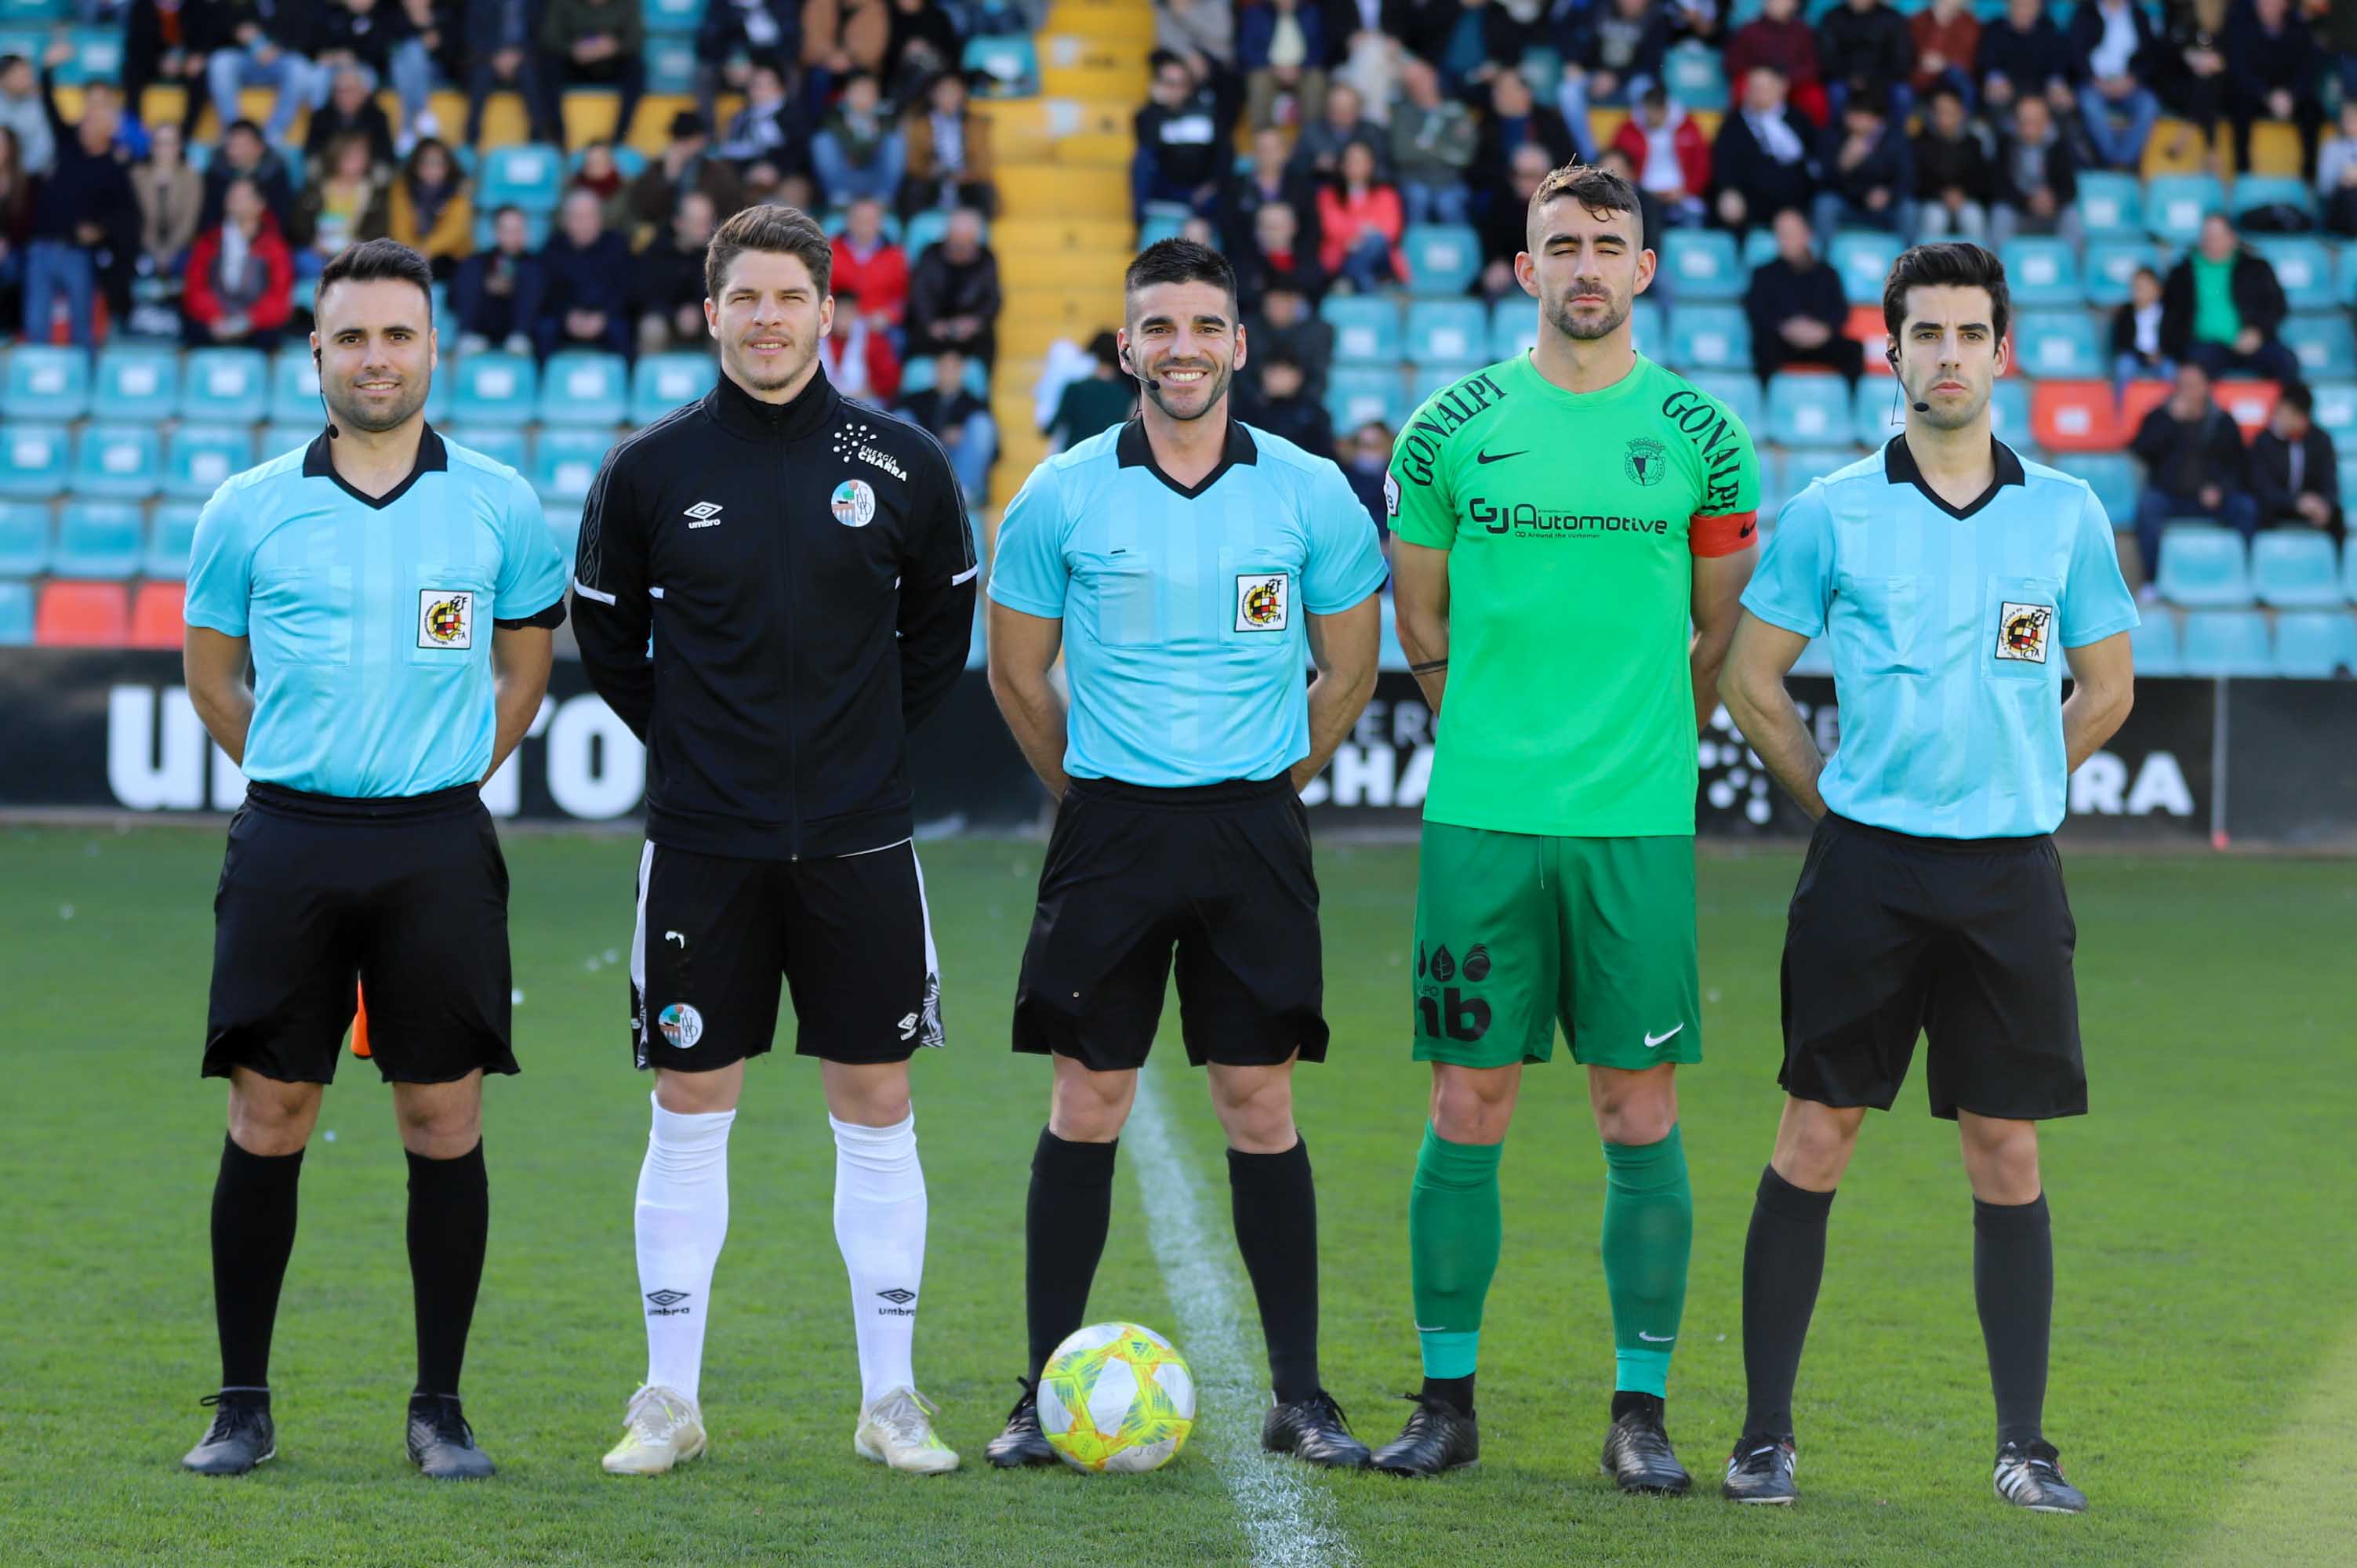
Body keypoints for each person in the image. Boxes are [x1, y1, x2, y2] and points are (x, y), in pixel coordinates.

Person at [1716, 241, 2136, 1515]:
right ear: (1887, 352)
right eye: (1924, 334)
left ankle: (2025, 1446)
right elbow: (1750, 680)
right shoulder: (1833, 510)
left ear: (2002, 353)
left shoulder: (2063, 513)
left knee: (2005, 1148)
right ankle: (1764, 1438)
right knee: (1815, 1131)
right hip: (1870, 871)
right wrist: (1835, 807)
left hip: (2008, 873)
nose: (1946, 355)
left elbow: (2107, 689)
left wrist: (2019, 778)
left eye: (1969, 334)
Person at [1368, 163, 1760, 1488]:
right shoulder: (1448, 430)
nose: (1584, 265)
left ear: (1644, 269)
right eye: (1560, 245)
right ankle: (1443, 1402)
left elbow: (1715, 633)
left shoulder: (1704, 434)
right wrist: (1491, 727)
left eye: (1607, 244)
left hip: (1634, 827)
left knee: (1635, 1109)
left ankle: (1640, 1412)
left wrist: (1637, 745)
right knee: (1466, 1100)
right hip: (1482, 815)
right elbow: (1419, 625)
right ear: (1523, 268)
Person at [572, 204, 975, 1479]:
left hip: (859, 842)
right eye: (742, 298)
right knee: (690, 1110)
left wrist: (850, 750)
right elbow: (607, 646)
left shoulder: (905, 463)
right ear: (711, 312)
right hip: (703, 842)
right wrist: (700, 749)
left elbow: (933, 647)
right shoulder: (649, 470)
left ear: (827, 311)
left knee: (878, 1104)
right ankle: (668, 1401)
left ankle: (891, 1400)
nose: (765, 319)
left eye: (787, 298)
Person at [980, 236, 1386, 1475]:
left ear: (1238, 347)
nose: (1182, 349)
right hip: (1111, 829)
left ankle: (1301, 1396)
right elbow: (1017, 671)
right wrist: (1094, 793)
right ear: (1126, 350)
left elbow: (1350, 665)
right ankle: (1043, 1396)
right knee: (1086, 1100)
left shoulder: (1309, 490)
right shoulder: (1061, 491)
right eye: (1158, 329)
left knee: (1259, 1104)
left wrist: (1265, 785)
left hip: (1252, 831)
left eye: (1204, 327)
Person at [176, 237, 567, 1483]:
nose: (376, 357)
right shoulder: (246, 507)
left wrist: (447, 775)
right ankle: (241, 1404)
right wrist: (294, 773)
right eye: (352, 337)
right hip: (289, 837)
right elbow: (209, 676)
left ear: (432, 348)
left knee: (442, 1115)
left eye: (397, 334)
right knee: (269, 1110)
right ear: (316, 355)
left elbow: (523, 671)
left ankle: (438, 1408)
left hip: (437, 843)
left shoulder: (498, 503)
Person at [2130, 360, 2257, 590]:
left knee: (2246, 508)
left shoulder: (2223, 421)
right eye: (2183, 385)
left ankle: (2244, 575)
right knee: (2148, 507)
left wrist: (2221, 489)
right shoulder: (2160, 416)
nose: (2187, 391)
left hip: (2212, 498)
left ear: (2206, 387)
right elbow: (2141, 449)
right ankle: (2153, 581)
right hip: (2170, 495)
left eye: (2193, 385)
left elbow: (2239, 466)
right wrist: (2171, 421)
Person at [23, 83, 133, 347]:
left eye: (94, 123)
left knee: (82, 326)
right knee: (36, 323)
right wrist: (47, 74)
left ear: (109, 131)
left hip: (77, 253)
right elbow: (53, 112)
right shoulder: (68, 149)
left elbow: (123, 214)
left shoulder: (115, 169)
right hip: (42, 247)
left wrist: (101, 230)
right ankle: (36, 378)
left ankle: (82, 380)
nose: (86, 127)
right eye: (85, 122)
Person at [2159, 212, 2297, 385]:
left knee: (2286, 361)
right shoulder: (2181, 274)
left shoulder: (2256, 268)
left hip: (2252, 342)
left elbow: (2277, 306)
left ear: (2232, 238)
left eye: (2217, 237)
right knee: (2194, 371)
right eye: (2207, 237)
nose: (2211, 242)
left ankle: (2287, 412)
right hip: (2206, 347)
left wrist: (2258, 331)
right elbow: (2171, 316)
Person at [1747, 207, 1858, 385]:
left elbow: (1840, 311)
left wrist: (1823, 330)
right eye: (1781, 234)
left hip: (1821, 340)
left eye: (1791, 234)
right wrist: (1786, 328)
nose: (1786, 240)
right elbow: (1757, 311)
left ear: (1807, 234)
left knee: (1853, 350)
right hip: (1782, 341)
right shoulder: (1763, 274)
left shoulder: (1828, 273)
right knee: (1763, 347)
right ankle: (1764, 405)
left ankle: (1852, 408)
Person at [183, 176, 296, 350]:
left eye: (243, 197)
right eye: (232, 196)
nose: (235, 201)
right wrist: (215, 317)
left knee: (271, 335)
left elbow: (280, 296)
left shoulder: (274, 246)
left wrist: (250, 320)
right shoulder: (209, 242)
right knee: (191, 328)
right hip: (215, 322)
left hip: (255, 326)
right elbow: (195, 287)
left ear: (260, 204)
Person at [1710, 65, 1816, 243]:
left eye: (1764, 87)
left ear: (1781, 88)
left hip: (1795, 204)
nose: (1757, 93)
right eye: (1753, 87)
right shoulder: (1734, 124)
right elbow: (1722, 163)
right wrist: (1728, 190)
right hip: (1749, 203)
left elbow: (1814, 162)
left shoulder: (1799, 120)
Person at [2224, 0, 2321, 182]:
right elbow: (2239, 71)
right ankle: (2243, 175)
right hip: (2256, 94)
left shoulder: (2299, 28)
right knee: (2239, 107)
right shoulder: (2241, 24)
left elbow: (2308, 69)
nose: (2268, 6)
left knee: (2312, 111)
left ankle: (2309, 177)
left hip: (2288, 97)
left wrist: (2292, 95)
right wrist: (2266, 96)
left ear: (2285, 5)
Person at [207, 0, 321, 147]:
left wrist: (278, 47)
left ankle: (272, 135)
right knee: (220, 62)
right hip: (245, 57)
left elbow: (305, 33)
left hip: (280, 59)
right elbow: (220, 28)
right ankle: (235, 132)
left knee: (300, 68)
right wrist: (239, 34)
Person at [535, 187, 631, 358]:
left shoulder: (617, 246)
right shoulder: (553, 248)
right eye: (577, 218)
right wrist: (567, 315)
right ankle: (543, 382)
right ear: (566, 221)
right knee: (544, 330)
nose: (584, 224)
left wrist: (604, 316)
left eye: (590, 216)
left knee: (623, 330)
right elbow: (545, 291)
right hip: (566, 318)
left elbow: (626, 289)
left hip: (606, 317)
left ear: (600, 219)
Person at [1810, 87, 1915, 241]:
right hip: (1849, 205)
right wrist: (1843, 165)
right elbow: (1822, 182)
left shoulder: (1895, 140)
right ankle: (1823, 260)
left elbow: (1907, 179)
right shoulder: (1832, 137)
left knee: (1909, 209)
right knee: (1824, 205)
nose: (1852, 121)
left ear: (1877, 119)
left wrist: (1889, 195)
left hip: (1886, 208)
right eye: (1850, 114)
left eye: (1860, 116)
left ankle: (1912, 261)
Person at [895, 343, 994, 504]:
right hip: (924, 461)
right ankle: (907, 484)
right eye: (944, 367)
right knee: (901, 417)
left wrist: (965, 434)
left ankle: (962, 493)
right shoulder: (915, 400)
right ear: (935, 370)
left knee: (982, 425)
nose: (948, 373)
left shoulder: (975, 405)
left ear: (962, 371)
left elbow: (992, 448)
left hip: (958, 465)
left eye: (953, 368)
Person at [1132, 49, 1225, 221]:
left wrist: (1212, 185)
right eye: (1168, 83)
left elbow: (1224, 153)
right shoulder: (1150, 115)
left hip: (1202, 188)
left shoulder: (1206, 113)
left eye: (1180, 84)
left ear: (1189, 88)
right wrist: (1156, 106)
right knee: (1143, 157)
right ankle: (1140, 221)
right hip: (1166, 186)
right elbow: (1146, 145)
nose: (1174, 90)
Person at [2068, 0, 2160, 171]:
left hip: (2129, 84)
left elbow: (2151, 55)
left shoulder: (2139, 14)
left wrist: (2133, 79)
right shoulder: (2086, 12)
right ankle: (2113, 162)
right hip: (2094, 83)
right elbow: (2075, 52)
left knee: (2149, 104)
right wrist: (2094, 79)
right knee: (2089, 103)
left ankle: (2122, 162)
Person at [540, 0, 643, 152]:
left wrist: (614, 46)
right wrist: (574, 49)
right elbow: (549, 38)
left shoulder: (627, 3)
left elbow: (636, 40)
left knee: (637, 67)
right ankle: (557, 138)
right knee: (548, 66)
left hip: (611, 65)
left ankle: (619, 139)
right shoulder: (561, 3)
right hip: (575, 64)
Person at [2250, 383, 2344, 544]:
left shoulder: (2321, 440)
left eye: (2288, 414)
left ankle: (2338, 566)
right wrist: (2295, 502)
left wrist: (2324, 504)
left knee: (2336, 514)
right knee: (2255, 511)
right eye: (2280, 411)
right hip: (2278, 504)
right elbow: (2262, 487)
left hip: (2311, 507)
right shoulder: (2263, 442)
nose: (2280, 418)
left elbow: (2330, 482)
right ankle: (2261, 561)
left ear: (2304, 418)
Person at [906, 206, 1000, 368]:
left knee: (987, 343)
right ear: (947, 237)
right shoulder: (930, 255)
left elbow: (992, 300)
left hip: (971, 333)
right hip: (932, 329)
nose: (961, 247)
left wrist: (974, 322)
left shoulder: (987, 259)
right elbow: (919, 295)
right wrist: (931, 324)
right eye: (957, 242)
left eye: (966, 242)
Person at [1388, 56, 1475, 227]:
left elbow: (1464, 156)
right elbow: (1402, 153)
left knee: (1449, 204)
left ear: (1434, 76)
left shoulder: (1457, 112)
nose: (1419, 85)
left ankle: (1460, 251)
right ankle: (1413, 252)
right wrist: (1445, 151)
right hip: (1414, 180)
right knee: (1418, 198)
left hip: (1450, 181)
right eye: (1412, 82)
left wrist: (1427, 148)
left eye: (1422, 78)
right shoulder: (1402, 115)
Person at [290, 132, 390, 279]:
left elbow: (380, 228)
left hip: (357, 252)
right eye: (351, 156)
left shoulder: (375, 192)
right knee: (303, 261)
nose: (358, 161)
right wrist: (313, 241)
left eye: (361, 155)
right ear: (336, 157)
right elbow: (298, 223)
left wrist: (357, 245)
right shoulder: (315, 188)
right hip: (318, 250)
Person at [627, 110, 746, 234]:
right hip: (669, 236)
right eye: (679, 139)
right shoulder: (658, 169)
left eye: (688, 139)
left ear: (701, 140)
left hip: (710, 234)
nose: (683, 146)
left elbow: (735, 208)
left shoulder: (718, 171)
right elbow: (645, 212)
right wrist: (668, 178)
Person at [463, 0, 562, 147]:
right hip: (487, 58)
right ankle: (471, 143)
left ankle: (538, 141)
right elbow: (471, 34)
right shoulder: (478, 3)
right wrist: (494, 56)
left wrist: (519, 55)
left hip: (525, 58)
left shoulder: (536, 4)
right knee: (479, 78)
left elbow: (542, 35)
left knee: (536, 78)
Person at [1611, 85, 1710, 230]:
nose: (1653, 116)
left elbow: (1702, 165)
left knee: (1694, 215)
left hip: (1682, 195)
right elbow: (1618, 164)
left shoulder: (1688, 127)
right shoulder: (1628, 130)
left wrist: (1686, 190)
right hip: (1641, 195)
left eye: (1657, 111)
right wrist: (1637, 190)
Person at [1988, 93, 2079, 249]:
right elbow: (1998, 186)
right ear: (2016, 122)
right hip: (2017, 210)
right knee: (2000, 215)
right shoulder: (2005, 144)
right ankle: (1997, 271)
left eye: (2035, 122)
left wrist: (2053, 200)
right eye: (2024, 122)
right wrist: (2027, 201)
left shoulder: (2059, 145)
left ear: (2046, 122)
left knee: (2072, 217)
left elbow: (2069, 189)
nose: (2029, 128)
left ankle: (2071, 269)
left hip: (2051, 212)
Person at [634, 189, 717, 355]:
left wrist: (700, 312)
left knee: (727, 331)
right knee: (651, 328)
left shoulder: (719, 255)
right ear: (678, 223)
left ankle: (726, 382)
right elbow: (642, 297)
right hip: (665, 319)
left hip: (707, 318)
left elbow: (726, 295)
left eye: (707, 221)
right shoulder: (656, 253)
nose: (704, 228)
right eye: (696, 222)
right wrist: (674, 314)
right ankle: (651, 381)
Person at [901, 69, 994, 217]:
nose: (949, 97)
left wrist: (965, 175)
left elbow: (983, 163)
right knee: (913, 189)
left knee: (984, 191)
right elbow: (913, 162)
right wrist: (933, 173)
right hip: (931, 180)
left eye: (954, 92)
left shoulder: (976, 124)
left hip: (965, 182)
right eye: (944, 92)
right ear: (932, 95)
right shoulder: (918, 123)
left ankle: (983, 232)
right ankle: (912, 229)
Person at [692, 0, 800, 129]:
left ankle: (789, 130)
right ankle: (707, 134)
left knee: (792, 74)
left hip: (769, 64)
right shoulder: (722, 4)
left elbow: (792, 44)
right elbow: (706, 42)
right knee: (704, 73)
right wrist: (734, 59)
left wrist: (759, 64)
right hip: (730, 64)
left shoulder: (782, 4)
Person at [452, 203, 543, 354]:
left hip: (521, 327)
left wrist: (515, 287)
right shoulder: (478, 262)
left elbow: (546, 302)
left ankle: (520, 336)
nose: (514, 236)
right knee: (471, 269)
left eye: (518, 230)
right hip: (484, 323)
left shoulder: (537, 263)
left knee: (532, 271)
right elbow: (453, 298)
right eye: (508, 231)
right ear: (496, 233)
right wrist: (485, 286)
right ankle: (467, 335)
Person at [1317, 138, 1403, 296]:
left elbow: (1390, 231)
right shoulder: (1328, 195)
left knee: (1376, 242)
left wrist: (1359, 239)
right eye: (1351, 160)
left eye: (1361, 160)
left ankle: (1348, 280)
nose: (1356, 165)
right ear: (1342, 165)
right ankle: (1367, 290)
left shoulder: (1386, 195)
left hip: (1381, 259)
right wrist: (1364, 231)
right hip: (1341, 255)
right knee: (1365, 274)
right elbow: (1332, 227)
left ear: (1371, 164)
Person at [811, 71, 906, 206]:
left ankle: (883, 198)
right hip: (844, 176)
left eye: (868, 93)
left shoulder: (888, 119)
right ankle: (839, 198)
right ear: (846, 95)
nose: (863, 98)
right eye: (858, 92)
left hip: (876, 176)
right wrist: (872, 137)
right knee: (822, 140)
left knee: (895, 141)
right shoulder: (833, 117)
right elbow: (855, 149)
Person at [385, 137, 473, 281]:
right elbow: (399, 228)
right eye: (426, 163)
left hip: (449, 256)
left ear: (448, 166)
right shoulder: (402, 188)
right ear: (416, 165)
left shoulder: (459, 189)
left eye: (438, 164)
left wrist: (427, 250)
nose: (432, 169)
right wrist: (413, 251)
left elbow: (454, 233)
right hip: (408, 252)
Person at [1913, 82, 1992, 241]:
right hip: (1933, 201)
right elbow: (1917, 181)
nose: (1944, 118)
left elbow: (1982, 180)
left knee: (1973, 217)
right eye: (1939, 112)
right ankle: (1928, 266)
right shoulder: (1921, 142)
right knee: (1934, 218)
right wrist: (1942, 195)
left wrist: (1963, 195)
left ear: (1961, 113)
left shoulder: (1974, 143)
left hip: (1966, 200)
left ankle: (1977, 267)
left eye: (1950, 112)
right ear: (1932, 114)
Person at [1724, 0, 1824, 125]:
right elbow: (1732, 62)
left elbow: (1812, 65)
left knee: (1813, 98)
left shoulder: (1802, 32)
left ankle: (1810, 138)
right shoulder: (1749, 30)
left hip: (1792, 84)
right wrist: (1759, 75)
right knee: (1741, 88)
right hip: (1759, 82)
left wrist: (1785, 80)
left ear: (1795, 4)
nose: (1779, 4)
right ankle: (1744, 131)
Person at [1975, 0, 2074, 120]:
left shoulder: (2049, 28)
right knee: (1995, 99)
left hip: (2041, 90)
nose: (2023, 11)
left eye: (2029, 6)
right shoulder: (1994, 29)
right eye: (2018, 6)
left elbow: (2057, 66)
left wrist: (2057, 85)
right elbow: (1987, 64)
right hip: (2007, 90)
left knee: (2064, 103)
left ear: (2038, 8)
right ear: (2009, 7)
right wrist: (1996, 80)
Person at [1818, 0, 1917, 119]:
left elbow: (1902, 57)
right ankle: (1836, 136)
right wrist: (1851, 78)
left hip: (1884, 79)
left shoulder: (1892, 18)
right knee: (1836, 92)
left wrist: (1875, 80)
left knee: (1903, 94)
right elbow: (1827, 57)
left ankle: (1896, 136)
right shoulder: (1833, 17)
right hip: (1845, 78)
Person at [1482, 143, 1556, 299]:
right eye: (1518, 174)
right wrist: (1496, 263)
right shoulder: (1500, 205)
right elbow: (1492, 246)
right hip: (1512, 274)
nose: (1522, 181)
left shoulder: (1561, 210)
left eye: (1531, 175)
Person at [135, 120, 205, 284]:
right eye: (160, 143)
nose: (164, 149)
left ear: (179, 146)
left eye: (170, 143)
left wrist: (168, 253)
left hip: (180, 248)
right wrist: (155, 252)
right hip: (144, 247)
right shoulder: (137, 177)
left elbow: (189, 222)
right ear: (152, 147)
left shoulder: (191, 177)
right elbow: (136, 220)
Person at [1240, 0, 1327, 131]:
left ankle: (1311, 136)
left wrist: (1300, 67)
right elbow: (1246, 49)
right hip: (1268, 69)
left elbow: (1321, 47)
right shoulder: (1256, 13)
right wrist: (1273, 68)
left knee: (1316, 80)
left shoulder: (1312, 12)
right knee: (1259, 82)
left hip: (1303, 69)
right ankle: (1263, 136)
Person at [202, 119, 297, 233]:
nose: (235, 152)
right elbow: (208, 219)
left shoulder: (275, 173)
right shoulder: (216, 173)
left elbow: (282, 218)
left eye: (242, 145)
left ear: (260, 147)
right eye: (232, 145)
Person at [1043, 328, 1131, 450]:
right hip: (1107, 460)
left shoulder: (1075, 389)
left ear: (1094, 357)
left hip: (1074, 459)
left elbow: (1048, 430)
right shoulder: (1127, 394)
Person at [830, 195, 909, 329]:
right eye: (859, 219)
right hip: (836, 324)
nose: (865, 225)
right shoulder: (829, 251)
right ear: (848, 221)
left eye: (870, 220)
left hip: (879, 326)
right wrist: (835, 316)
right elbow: (821, 292)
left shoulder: (896, 256)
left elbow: (902, 298)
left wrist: (889, 316)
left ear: (881, 222)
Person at [1236, 200, 1324, 315]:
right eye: (1265, 227)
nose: (1270, 233)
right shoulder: (1242, 265)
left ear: (1293, 227)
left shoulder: (1308, 262)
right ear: (1256, 230)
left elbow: (1315, 293)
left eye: (1277, 227)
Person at [1241, 351, 1334, 459]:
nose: (1277, 379)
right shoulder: (1246, 412)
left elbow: (1322, 456)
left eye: (1284, 373)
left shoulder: (1315, 416)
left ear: (1298, 377)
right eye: (1273, 372)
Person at [2108, 264, 2170, 387]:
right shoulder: (2125, 314)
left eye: (2145, 287)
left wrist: (2161, 354)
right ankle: (2119, 405)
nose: (2140, 292)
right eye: (2137, 287)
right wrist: (2144, 355)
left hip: (2162, 358)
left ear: (2157, 290)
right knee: (2123, 366)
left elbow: (2174, 342)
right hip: (2135, 357)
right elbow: (2120, 344)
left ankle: (2170, 405)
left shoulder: (2168, 314)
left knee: (2171, 370)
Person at [1908, 0, 1978, 104]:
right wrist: (1939, 24)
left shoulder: (1970, 23)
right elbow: (1911, 51)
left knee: (1958, 76)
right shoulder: (1919, 19)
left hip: (1951, 79)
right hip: (1921, 77)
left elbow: (1969, 60)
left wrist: (1945, 63)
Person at [0, 53, 55, 178]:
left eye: (29, 74)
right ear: (3, 79)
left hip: (34, 177)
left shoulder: (41, 104)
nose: (29, 79)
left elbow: (45, 151)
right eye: (21, 75)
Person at [2325, 100, 2357, 238]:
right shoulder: (2332, 147)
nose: (2350, 121)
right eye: (2347, 117)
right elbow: (2324, 188)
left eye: (2354, 117)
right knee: (2348, 192)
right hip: (2339, 206)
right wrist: (2341, 179)